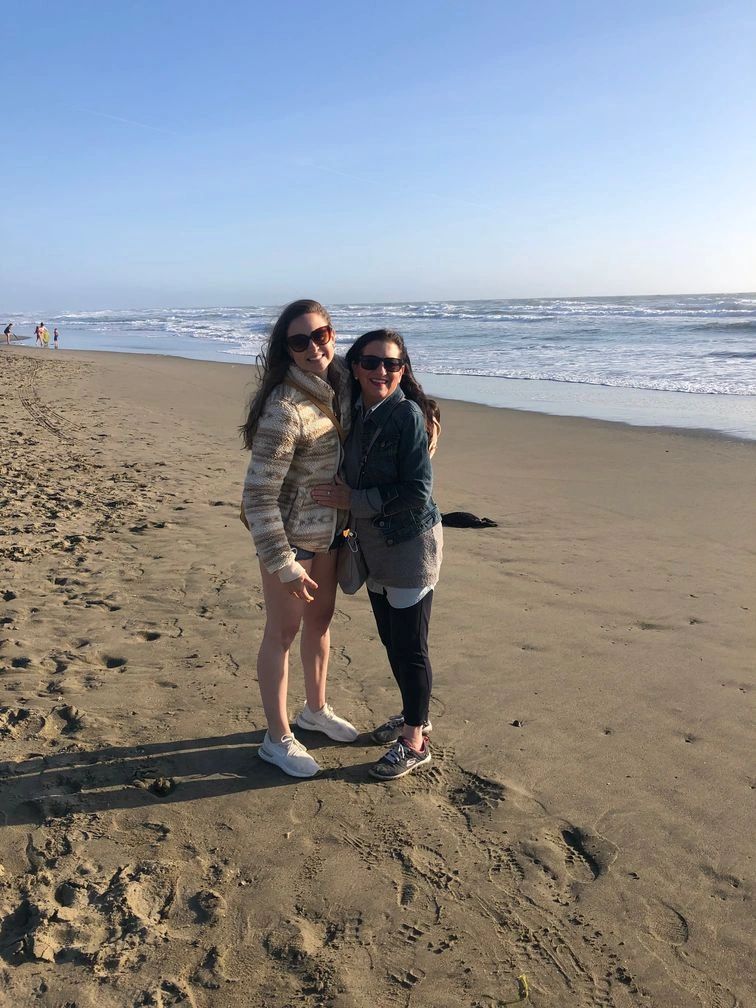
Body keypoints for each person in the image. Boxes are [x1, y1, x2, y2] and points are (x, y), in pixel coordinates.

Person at [312, 329, 442, 780]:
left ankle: (414, 740)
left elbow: (417, 493)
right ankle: (414, 715)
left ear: (403, 369)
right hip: (372, 547)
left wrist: (353, 501)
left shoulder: (406, 416)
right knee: (391, 640)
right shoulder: (356, 412)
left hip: (409, 547)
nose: (380, 371)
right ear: (356, 368)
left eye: (391, 364)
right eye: (370, 363)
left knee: (410, 646)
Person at [240, 299, 358, 778]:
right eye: (300, 340)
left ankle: (315, 710)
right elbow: (257, 497)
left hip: (331, 536)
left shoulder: (341, 384)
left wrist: (428, 418)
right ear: (285, 349)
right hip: (292, 545)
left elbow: (394, 386)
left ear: (333, 334)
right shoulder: (285, 410)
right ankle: (277, 737)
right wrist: (283, 562)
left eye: (321, 334)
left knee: (321, 625)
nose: (314, 347)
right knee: (282, 634)